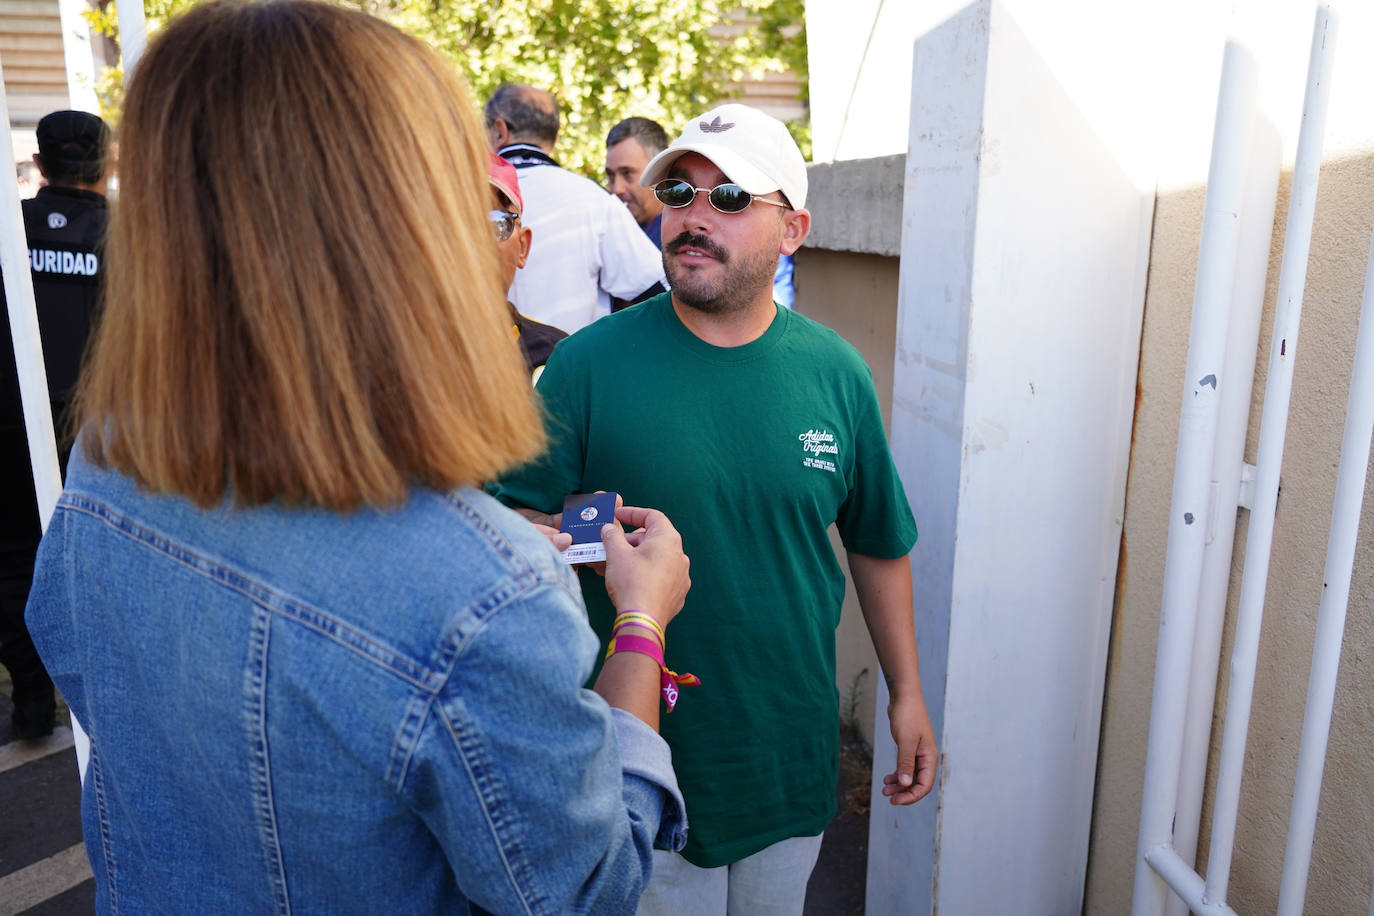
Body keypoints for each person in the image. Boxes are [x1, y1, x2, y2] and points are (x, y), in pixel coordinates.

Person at [23, 3, 691, 913]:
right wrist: (642, 626)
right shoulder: (476, 594)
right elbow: (582, 887)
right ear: (402, 229)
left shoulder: (110, 460)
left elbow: (74, 651)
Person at [495, 102, 938, 915]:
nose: (694, 218)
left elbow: (876, 540)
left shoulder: (836, 373)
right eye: (679, 195)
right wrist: (580, 538)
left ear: (792, 228)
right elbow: (498, 530)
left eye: (729, 198)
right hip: (636, 765)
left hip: (784, 758)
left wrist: (906, 694)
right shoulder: (587, 365)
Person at [0, 108, 111, 740]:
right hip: (100, 435)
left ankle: (34, 698)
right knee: (95, 559)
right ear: (107, 164)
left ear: (40, 165)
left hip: (14, 426)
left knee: (15, 558)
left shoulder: (10, 230)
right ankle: (93, 693)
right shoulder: (133, 237)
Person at [485, 85, 665, 334]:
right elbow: (659, 289)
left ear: (499, 131)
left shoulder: (462, 198)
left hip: (476, 363)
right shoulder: (595, 200)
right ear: (555, 140)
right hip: (570, 367)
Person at [487, 152, 566, 384]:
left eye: (495, 222)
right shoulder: (401, 354)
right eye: (459, 220)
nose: (476, 238)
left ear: (523, 246)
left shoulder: (557, 357)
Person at [605, 117, 669, 249]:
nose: (617, 189)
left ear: (660, 171)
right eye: (611, 176)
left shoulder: (678, 241)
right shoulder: (614, 233)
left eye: (627, 173)